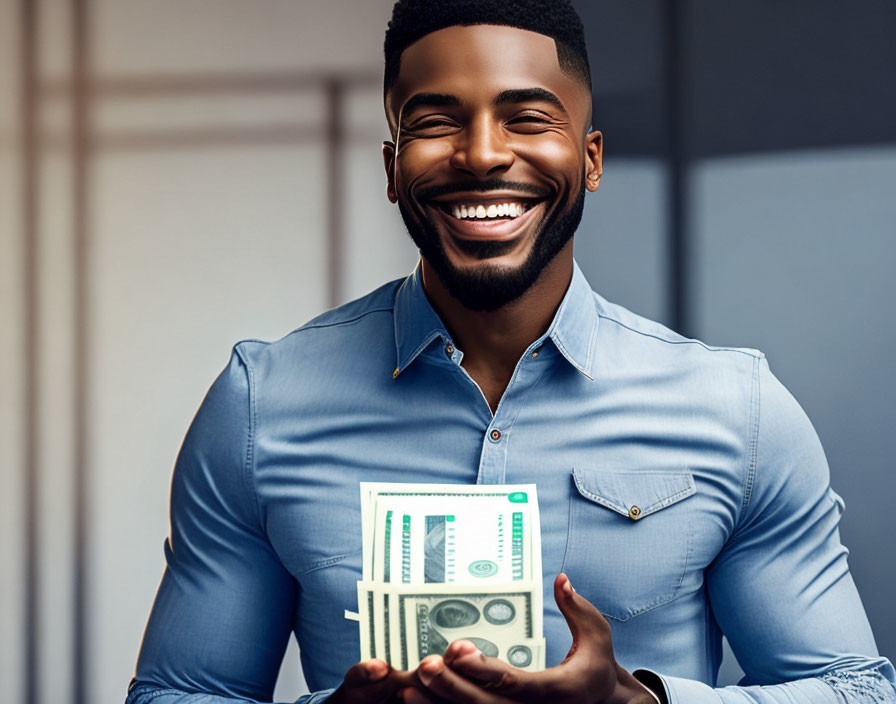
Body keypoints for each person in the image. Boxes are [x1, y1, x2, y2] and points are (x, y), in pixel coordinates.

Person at [126, 1, 896, 703]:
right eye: (436, 121)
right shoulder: (260, 405)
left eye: (527, 119)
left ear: (590, 159)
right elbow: (174, 695)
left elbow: (854, 690)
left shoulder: (740, 411)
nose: (483, 155)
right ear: (392, 169)